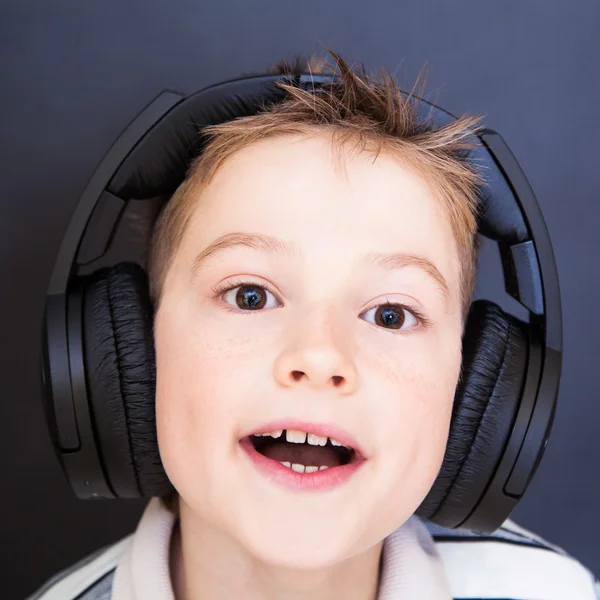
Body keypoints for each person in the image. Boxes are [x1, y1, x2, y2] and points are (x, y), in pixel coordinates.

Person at [28, 50, 599, 600]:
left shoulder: (552, 590)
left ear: (477, 385)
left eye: (390, 315)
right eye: (251, 297)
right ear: (135, 355)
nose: (321, 355)